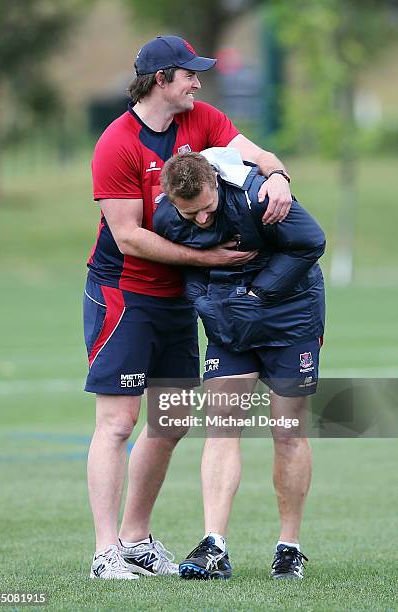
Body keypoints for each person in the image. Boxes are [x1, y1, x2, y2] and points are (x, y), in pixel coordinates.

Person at [84, 34, 293, 580]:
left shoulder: (202, 120)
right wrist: (211, 261)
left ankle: (136, 539)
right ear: (162, 81)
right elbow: (128, 236)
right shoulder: (117, 142)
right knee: (117, 423)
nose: (198, 83)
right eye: (190, 75)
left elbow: (255, 152)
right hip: (124, 292)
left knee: (170, 421)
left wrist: (277, 176)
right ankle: (106, 552)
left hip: (179, 297)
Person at [153, 148, 326, 580]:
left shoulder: (259, 196)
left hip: (291, 315)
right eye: (190, 215)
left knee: (287, 431)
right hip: (230, 319)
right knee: (222, 424)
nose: (202, 221)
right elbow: (184, 258)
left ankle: (289, 548)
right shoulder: (171, 216)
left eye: (207, 209)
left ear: (215, 183)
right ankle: (214, 545)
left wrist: (259, 295)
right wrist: (204, 305)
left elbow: (311, 242)